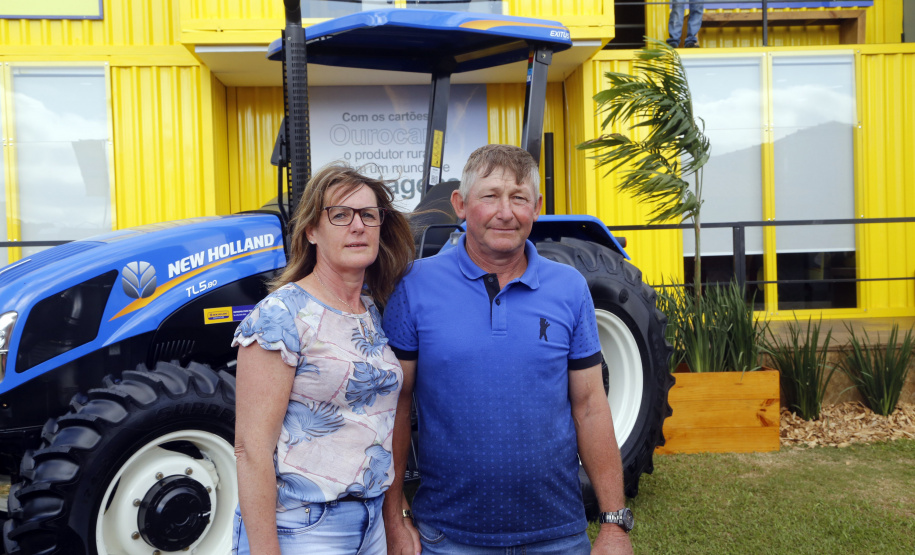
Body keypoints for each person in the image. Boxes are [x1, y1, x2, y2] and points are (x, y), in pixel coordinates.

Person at [381, 145, 634, 554]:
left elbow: (590, 405)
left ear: (536, 207)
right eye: (490, 196)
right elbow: (394, 404)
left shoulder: (570, 289)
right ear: (461, 205)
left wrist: (614, 523)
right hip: (447, 538)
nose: (505, 211)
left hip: (558, 536)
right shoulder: (414, 286)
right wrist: (395, 516)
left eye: (518, 198)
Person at [232, 163, 415, 554]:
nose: (358, 225)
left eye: (369, 214)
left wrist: (393, 516)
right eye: (341, 214)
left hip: (371, 525)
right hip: (305, 526)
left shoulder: (373, 310)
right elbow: (251, 449)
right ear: (312, 230)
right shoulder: (281, 315)